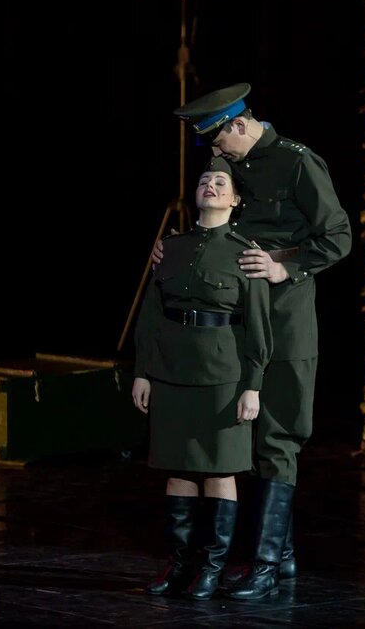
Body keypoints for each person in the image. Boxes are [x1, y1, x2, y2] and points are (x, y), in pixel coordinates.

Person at [154, 83, 353, 600]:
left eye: (220, 142)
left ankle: (265, 567)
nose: (217, 155)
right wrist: (174, 253)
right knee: (244, 440)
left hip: (284, 318)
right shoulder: (233, 165)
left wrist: (286, 267)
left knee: (277, 439)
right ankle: (279, 559)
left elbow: (338, 236)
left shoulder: (298, 163)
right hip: (237, 325)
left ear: (240, 125)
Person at [132, 156, 273, 600]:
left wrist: (253, 385)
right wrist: (142, 372)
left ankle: (211, 570)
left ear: (235, 200)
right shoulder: (171, 248)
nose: (210, 185)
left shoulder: (244, 253)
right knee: (177, 468)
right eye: (204, 180)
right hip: (171, 370)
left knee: (219, 469)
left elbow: (258, 326)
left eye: (220, 182)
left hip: (222, 377)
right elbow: (150, 315)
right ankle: (179, 567)